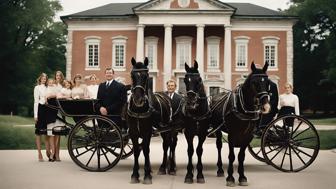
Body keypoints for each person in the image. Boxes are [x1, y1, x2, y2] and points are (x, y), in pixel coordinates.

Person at [33, 73, 48, 161]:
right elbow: (36, 101)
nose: (44, 79)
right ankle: (39, 153)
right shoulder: (37, 87)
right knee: (38, 132)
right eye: (42, 77)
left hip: (47, 110)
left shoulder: (47, 87)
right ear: (40, 78)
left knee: (46, 132)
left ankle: (47, 151)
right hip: (40, 109)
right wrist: (36, 115)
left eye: (45, 78)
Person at [45, 78, 58, 162]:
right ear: (47, 83)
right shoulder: (46, 89)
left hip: (53, 110)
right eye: (49, 82)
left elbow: (55, 95)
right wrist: (46, 98)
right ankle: (50, 153)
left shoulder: (54, 89)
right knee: (50, 135)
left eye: (52, 82)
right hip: (47, 111)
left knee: (52, 134)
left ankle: (53, 154)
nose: (51, 83)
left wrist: (48, 96)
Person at [53, 71, 65, 162]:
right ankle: (53, 153)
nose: (58, 77)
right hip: (53, 109)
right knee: (53, 133)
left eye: (59, 76)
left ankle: (57, 154)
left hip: (60, 110)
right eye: (57, 75)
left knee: (59, 133)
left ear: (61, 77)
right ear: (55, 76)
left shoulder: (63, 85)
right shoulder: (52, 85)